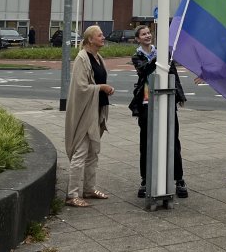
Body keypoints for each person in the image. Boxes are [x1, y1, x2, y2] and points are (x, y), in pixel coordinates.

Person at [128, 24, 188, 199]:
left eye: (148, 33)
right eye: (143, 34)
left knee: (173, 140)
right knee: (146, 141)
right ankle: (145, 179)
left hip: (167, 101)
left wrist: (180, 96)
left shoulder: (162, 53)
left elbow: (173, 74)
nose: (147, 36)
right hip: (147, 102)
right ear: (138, 39)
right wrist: (159, 58)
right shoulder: (137, 56)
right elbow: (144, 70)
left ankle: (179, 179)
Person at [63, 24, 114, 207]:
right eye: (99, 35)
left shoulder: (97, 57)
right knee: (81, 152)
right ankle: (72, 194)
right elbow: (80, 88)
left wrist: (105, 88)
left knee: (93, 152)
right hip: (85, 113)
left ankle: (89, 189)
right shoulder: (81, 59)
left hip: (96, 109)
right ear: (90, 39)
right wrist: (101, 88)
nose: (103, 37)